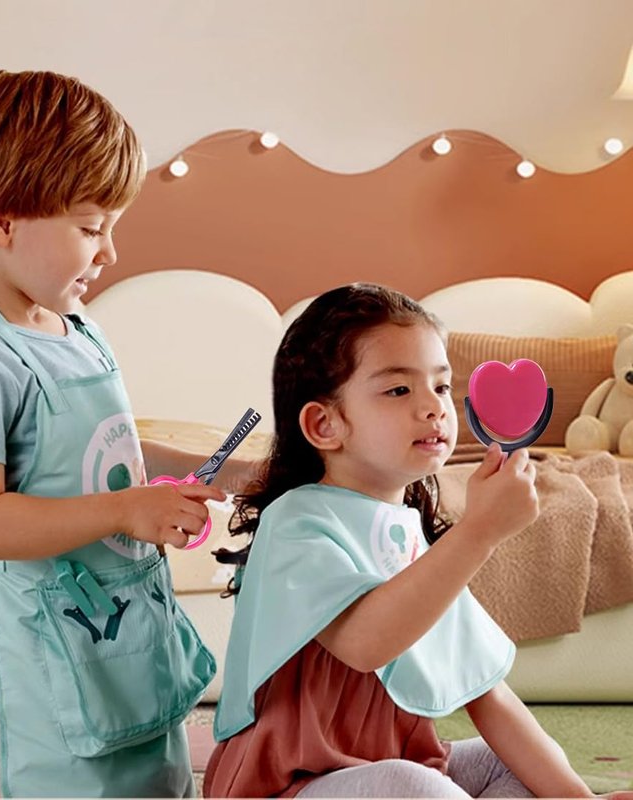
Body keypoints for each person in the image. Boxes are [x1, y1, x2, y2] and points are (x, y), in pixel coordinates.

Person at [0, 69, 251, 799]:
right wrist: (127, 510)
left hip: (119, 614)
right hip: (33, 646)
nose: (110, 252)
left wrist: (217, 470)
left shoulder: (74, 326)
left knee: (145, 775)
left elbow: (109, 447)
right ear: (2, 220)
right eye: (91, 228)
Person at [203, 283, 629, 799]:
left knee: (513, 767)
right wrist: (480, 531)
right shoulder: (296, 522)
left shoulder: (409, 534)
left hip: (390, 770)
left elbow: (489, 696)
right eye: (399, 390)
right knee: (414, 785)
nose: (434, 407)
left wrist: (580, 798)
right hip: (287, 785)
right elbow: (365, 644)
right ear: (325, 424)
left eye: (442, 386)